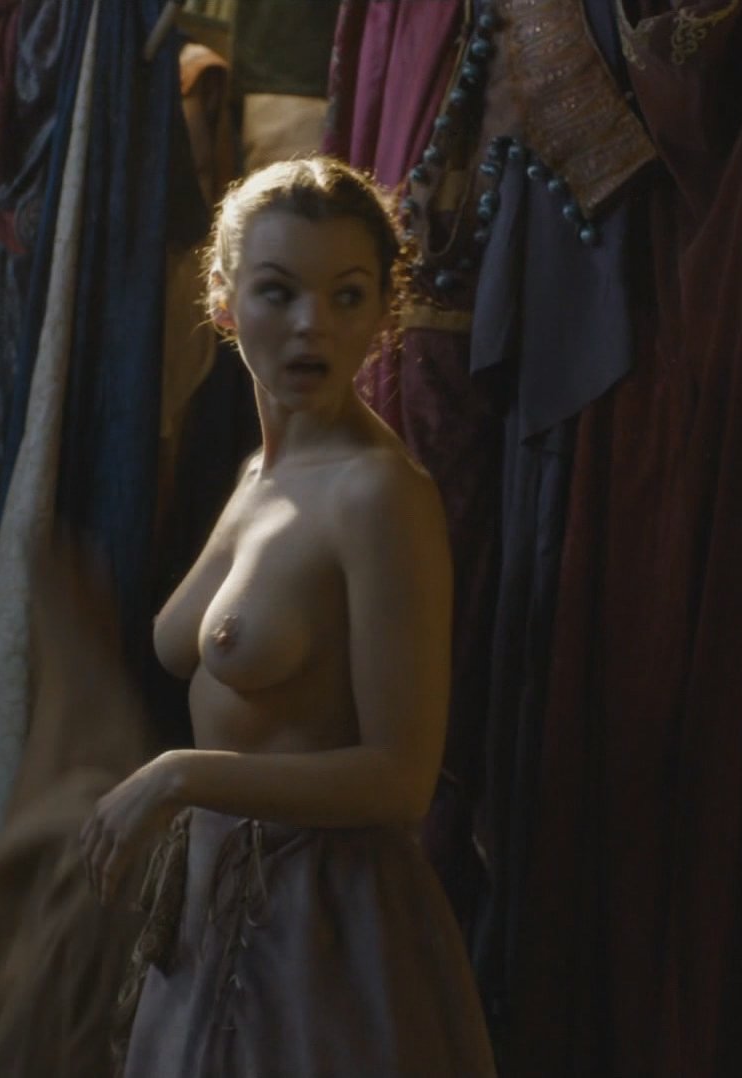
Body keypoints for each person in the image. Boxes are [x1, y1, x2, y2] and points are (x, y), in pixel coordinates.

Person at [77, 156, 498, 1077]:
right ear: (224, 300)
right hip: (213, 917)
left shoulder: (379, 495)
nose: (315, 324)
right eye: (280, 291)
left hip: (321, 935)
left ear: (384, 310)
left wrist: (182, 775)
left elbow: (401, 781)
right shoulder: (261, 473)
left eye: (348, 296)